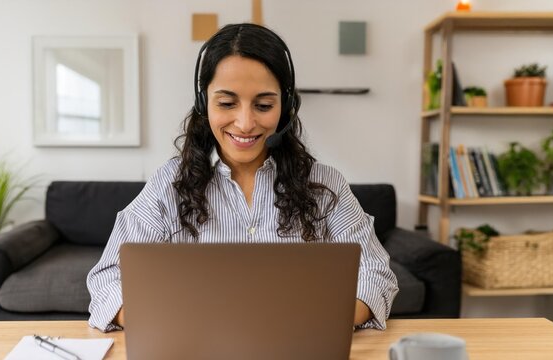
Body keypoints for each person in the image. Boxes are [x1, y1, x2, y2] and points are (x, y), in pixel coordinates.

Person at [87, 23, 398, 333]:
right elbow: (108, 278)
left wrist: (313, 322)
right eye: (226, 103)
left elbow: (375, 272)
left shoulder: (325, 186)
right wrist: (175, 326)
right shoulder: (168, 186)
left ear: (286, 107)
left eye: (263, 105)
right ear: (203, 102)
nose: (246, 123)